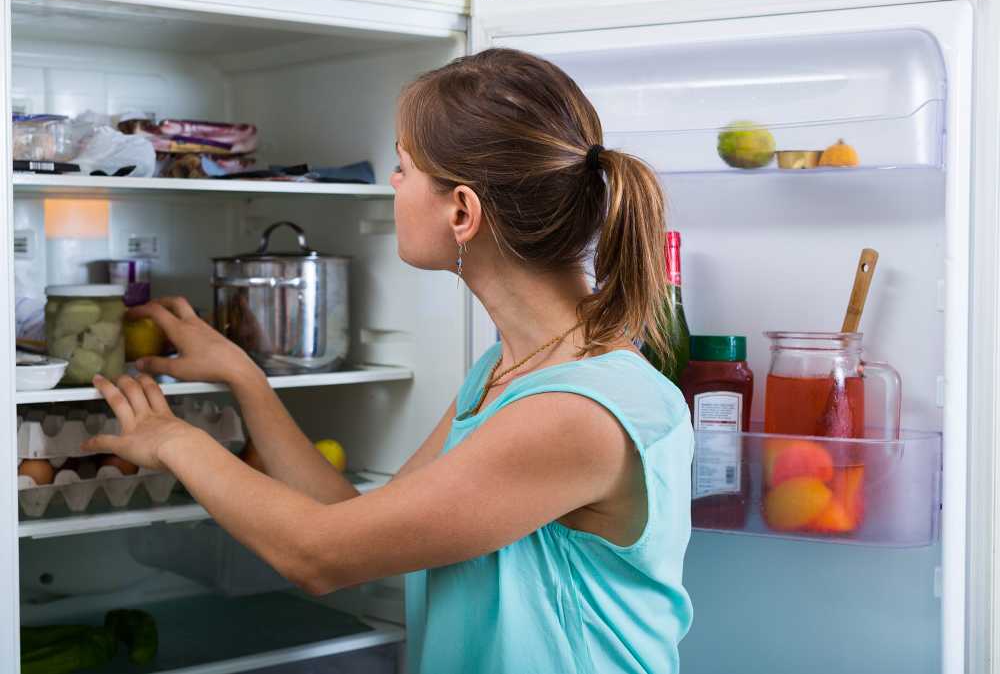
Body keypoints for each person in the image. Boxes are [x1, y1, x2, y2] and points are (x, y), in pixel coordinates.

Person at [83, 48, 694, 673]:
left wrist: (172, 441)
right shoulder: (509, 369)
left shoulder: (576, 414)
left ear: (461, 211)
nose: (392, 185)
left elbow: (318, 556)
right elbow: (351, 524)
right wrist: (245, 376)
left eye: (403, 167)